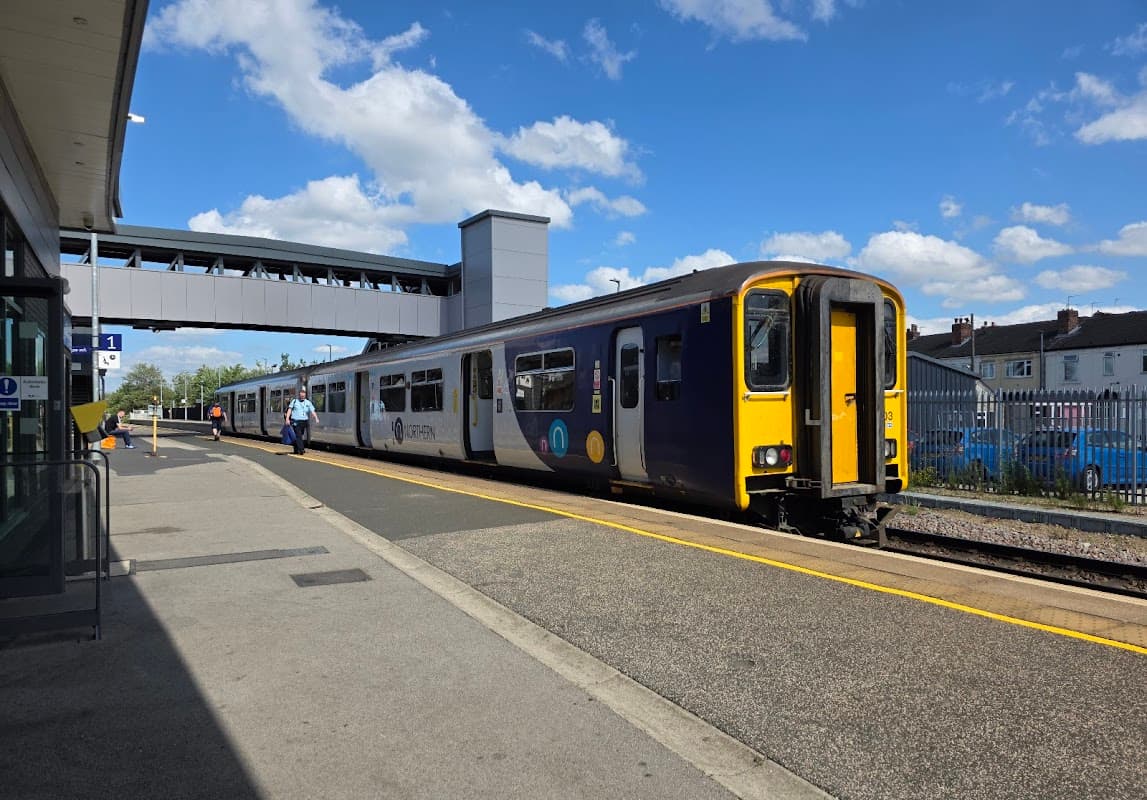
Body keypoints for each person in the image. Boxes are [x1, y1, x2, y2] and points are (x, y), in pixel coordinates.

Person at [285, 388, 319, 455]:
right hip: (296, 421)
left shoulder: (308, 402)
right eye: (301, 396)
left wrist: (316, 418)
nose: (302, 397)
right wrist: (287, 419)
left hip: (304, 422)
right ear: (299, 395)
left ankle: (296, 448)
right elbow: (289, 410)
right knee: (299, 435)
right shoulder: (294, 401)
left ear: (305, 395)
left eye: (304, 396)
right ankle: (301, 449)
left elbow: (312, 411)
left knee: (300, 436)